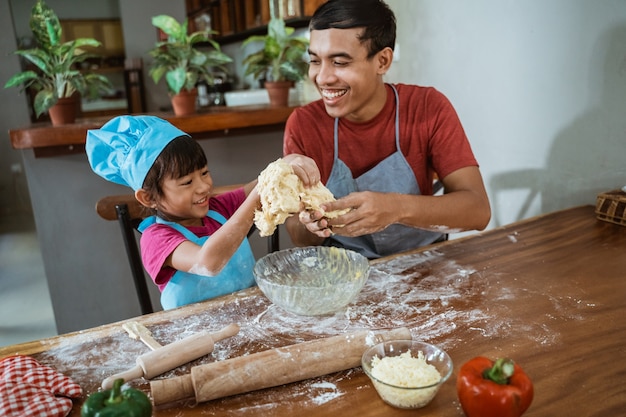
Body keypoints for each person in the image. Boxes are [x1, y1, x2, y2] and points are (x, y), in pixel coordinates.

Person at [283, 0, 491, 259]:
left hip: (427, 263)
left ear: (382, 61)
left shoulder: (427, 107)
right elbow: (296, 234)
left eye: (339, 62)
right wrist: (312, 224)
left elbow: (478, 210)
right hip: (344, 271)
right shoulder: (304, 124)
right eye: (315, 61)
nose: (323, 77)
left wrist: (395, 208)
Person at [86, 115, 319, 310]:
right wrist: (257, 197)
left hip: (251, 316)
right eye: (187, 182)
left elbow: (262, 181)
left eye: (205, 173)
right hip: (193, 335)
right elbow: (207, 262)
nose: (203, 186)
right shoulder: (156, 239)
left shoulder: (218, 209)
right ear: (148, 197)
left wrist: (291, 161)